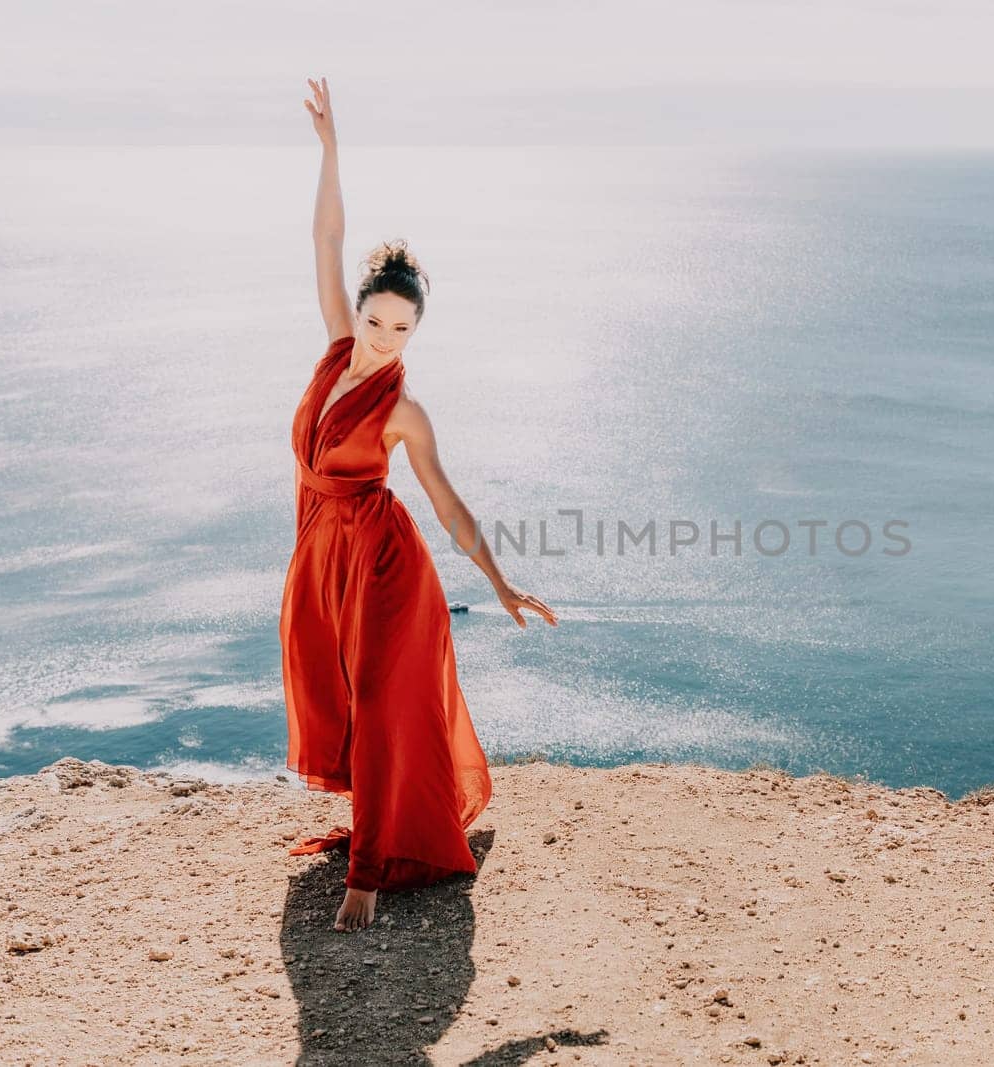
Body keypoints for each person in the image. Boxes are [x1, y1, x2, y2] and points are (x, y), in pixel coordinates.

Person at [281, 76, 558, 933]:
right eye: (378, 322)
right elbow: (326, 236)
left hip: (384, 566)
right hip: (323, 555)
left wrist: (503, 584)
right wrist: (331, 152)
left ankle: (369, 872)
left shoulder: (405, 410)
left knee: (377, 700)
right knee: (338, 695)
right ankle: (380, 827)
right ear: (358, 312)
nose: (387, 339)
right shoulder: (333, 355)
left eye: (404, 329)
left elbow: (448, 504)